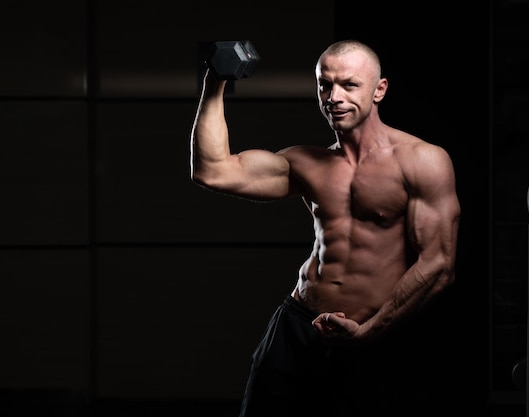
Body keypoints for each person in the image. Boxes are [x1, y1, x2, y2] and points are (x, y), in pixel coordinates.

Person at [190, 39, 461, 417]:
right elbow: (212, 170)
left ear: (379, 89)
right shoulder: (306, 162)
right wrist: (215, 80)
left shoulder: (422, 161)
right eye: (325, 84)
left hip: (374, 334)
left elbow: (439, 265)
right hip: (297, 326)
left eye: (349, 85)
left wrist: (369, 333)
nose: (333, 97)